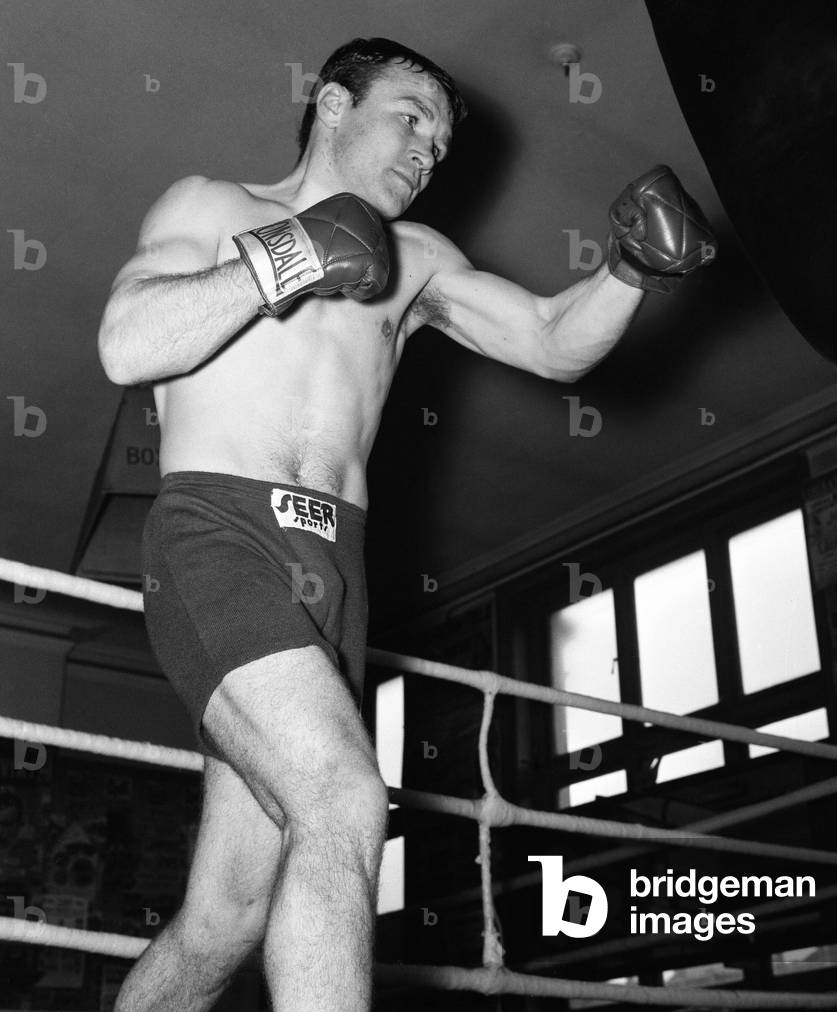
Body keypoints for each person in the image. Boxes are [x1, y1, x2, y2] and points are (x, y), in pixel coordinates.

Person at [97, 37, 715, 1012]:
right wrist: (288, 257)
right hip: (219, 536)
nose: (429, 149)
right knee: (344, 799)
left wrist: (632, 270)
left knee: (226, 916)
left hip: (334, 572)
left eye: (443, 140)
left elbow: (553, 346)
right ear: (333, 104)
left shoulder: (418, 260)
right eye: (411, 115)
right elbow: (128, 344)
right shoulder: (213, 206)